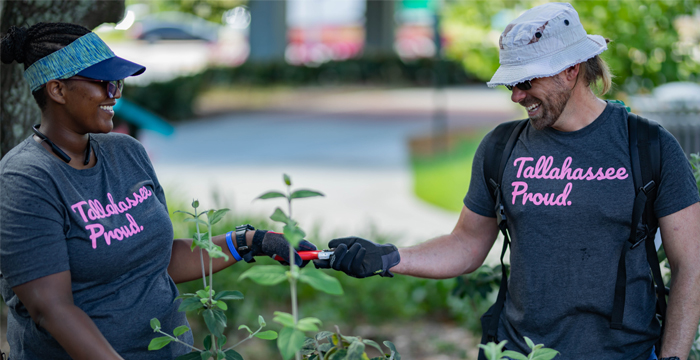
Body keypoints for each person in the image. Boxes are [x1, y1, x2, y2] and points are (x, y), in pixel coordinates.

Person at [314, 3, 700, 360]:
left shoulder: (648, 146)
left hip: (625, 353)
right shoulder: (502, 147)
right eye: (510, 83)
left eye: (527, 81)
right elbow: (466, 243)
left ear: (571, 70)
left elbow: (692, 266)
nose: (517, 95)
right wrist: (388, 257)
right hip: (518, 352)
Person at [0, 23, 316, 360]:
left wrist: (251, 241)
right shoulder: (26, 178)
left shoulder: (126, 152)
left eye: (117, 82)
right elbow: (51, 308)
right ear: (58, 90)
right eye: (103, 82)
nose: (115, 92)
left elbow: (156, 259)